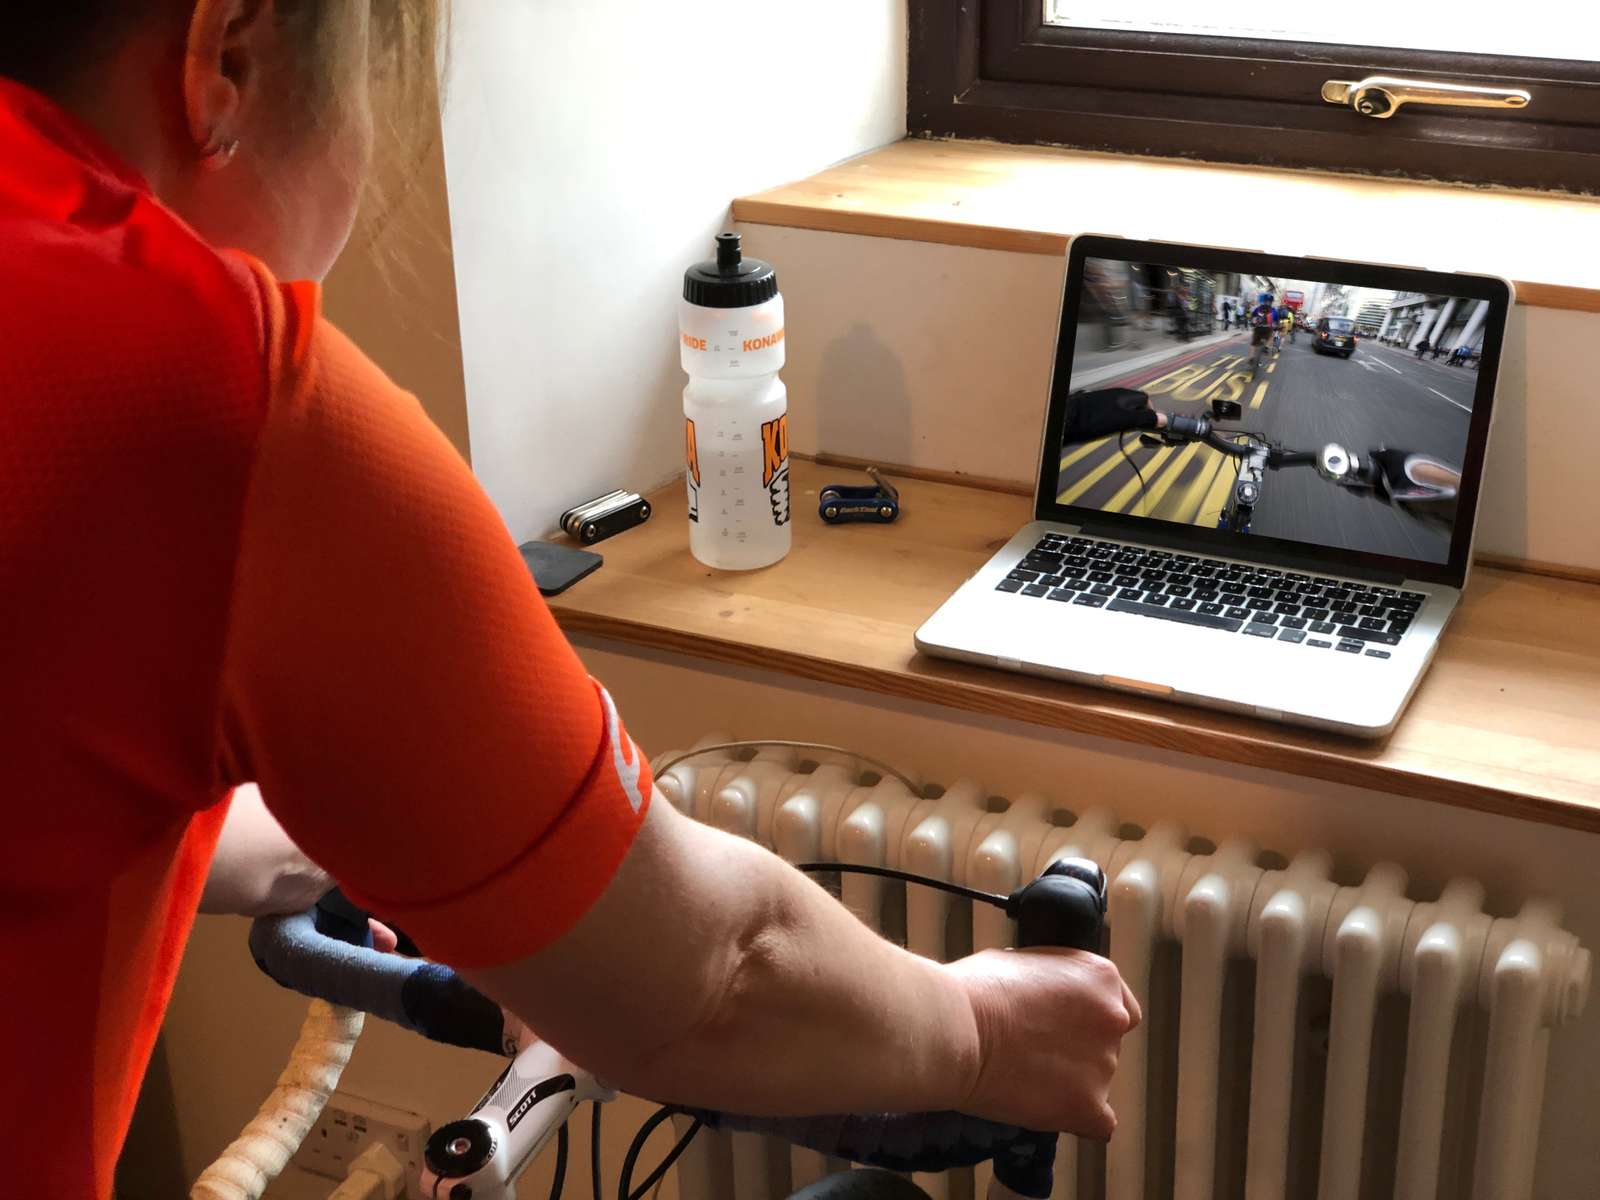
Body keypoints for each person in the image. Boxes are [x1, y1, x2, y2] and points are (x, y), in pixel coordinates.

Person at [0, 6, 1140, 1197]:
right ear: (228, 56)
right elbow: (712, 975)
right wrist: (991, 1032)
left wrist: (332, 844)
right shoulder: (208, 387)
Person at [1247, 292, 1276, 371]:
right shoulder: (1273, 310)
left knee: (1253, 343)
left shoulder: (1258, 308)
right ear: (1271, 302)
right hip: (1268, 330)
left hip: (1258, 329)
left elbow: (1252, 317)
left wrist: (1252, 322)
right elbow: (1276, 320)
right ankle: (1266, 347)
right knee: (1273, 334)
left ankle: (1251, 357)